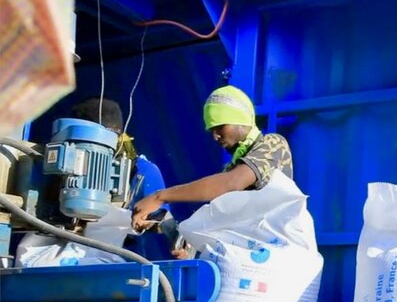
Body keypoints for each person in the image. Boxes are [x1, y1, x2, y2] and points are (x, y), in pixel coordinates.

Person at [131, 85, 293, 233]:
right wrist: (174, 234)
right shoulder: (229, 170)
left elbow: (233, 183)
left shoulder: (273, 144)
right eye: (211, 130)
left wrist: (159, 197)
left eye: (220, 127)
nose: (215, 136)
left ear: (240, 120)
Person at [71, 97, 172, 259]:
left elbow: (160, 220)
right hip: (69, 255)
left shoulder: (142, 172)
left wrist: (143, 221)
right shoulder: (71, 163)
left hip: (120, 261)